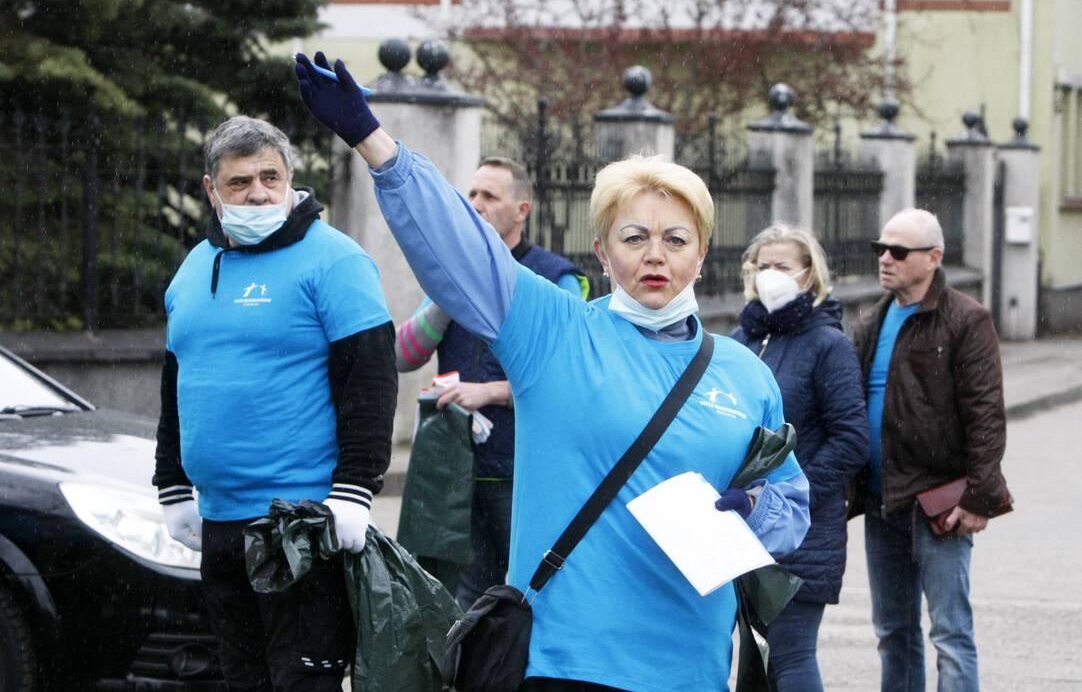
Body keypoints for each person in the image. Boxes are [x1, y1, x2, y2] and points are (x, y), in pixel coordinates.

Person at [295, 51, 811, 691]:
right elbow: (460, 245)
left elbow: (792, 506)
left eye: (676, 239)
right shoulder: (556, 331)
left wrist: (753, 506)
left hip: (693, 670)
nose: (656, 255)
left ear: (702, 254)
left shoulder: (743, 374)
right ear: (602, 251)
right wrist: (377, 145)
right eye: (634, 237)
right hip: (566, 666)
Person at [152, 116, 397, 691]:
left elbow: (371, 381)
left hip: (299, 526)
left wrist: (355, 489)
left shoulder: (335, 261)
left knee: (300, 683)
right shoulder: (192, 269)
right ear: (212, 190)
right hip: (218, 524)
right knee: (243, 680)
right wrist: (171, 485)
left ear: (291, 180)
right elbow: (176, 382)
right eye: (240, 182)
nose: (258, 193)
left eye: (271, 177)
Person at [395, 156, 588, 609]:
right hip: (459, 468)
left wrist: (491, 392)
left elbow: (570, 377)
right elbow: (403, 355)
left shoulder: (558, 277)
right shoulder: (450, 273)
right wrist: (447, 299)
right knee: (465, 600)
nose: (475, 204)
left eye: (490, 196)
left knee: (532, 594)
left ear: (522, 209)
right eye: (472, 194)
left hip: (525, 468)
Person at [851, 208, 1011, 692]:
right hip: (883, 503)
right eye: (880, 248)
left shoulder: (966, 318)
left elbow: (986, 414)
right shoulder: (870, 320)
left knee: (950, 633)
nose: (885, 259)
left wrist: (979, 498)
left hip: (939, 501)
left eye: (898, 251)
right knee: (893, 631)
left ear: (933, 257)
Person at [731, 223, 868, 692]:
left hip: (801, 532)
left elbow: (851, 439)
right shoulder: (741, 342)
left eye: (782, 266)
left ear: (809, 275)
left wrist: (789, 493)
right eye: (762, 265)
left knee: (790, 656)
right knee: (749, 656)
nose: (770, 275)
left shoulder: (827, 344)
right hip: (738, 524)